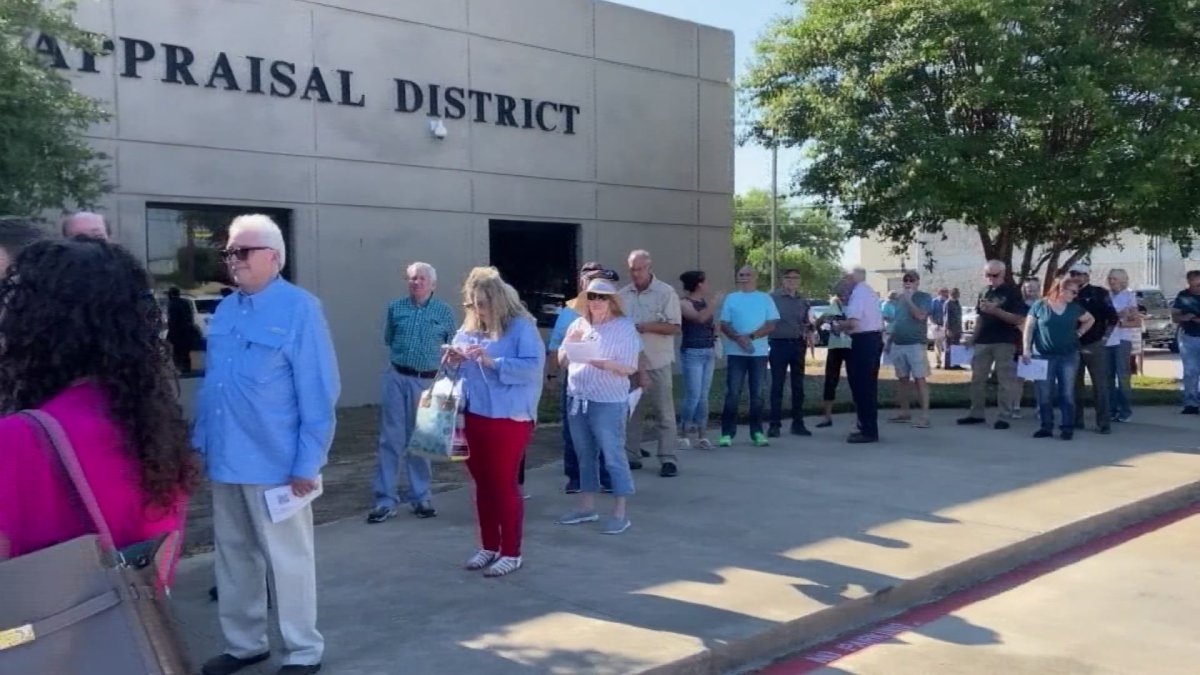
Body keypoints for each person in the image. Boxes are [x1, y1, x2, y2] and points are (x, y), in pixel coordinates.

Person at [192, 214, 339, 675]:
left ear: (273, 257)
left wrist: (308, 462)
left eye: (242, 251)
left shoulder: (300, 309)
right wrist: (201, 443)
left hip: (277, 464)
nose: (232, 260)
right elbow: (214, 386)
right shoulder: (226, 310)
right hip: (227, 458)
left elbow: (318, 392)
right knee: (234, 557)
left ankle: (302, 651)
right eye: (228, 252)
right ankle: (244, 644)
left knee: (288, 560)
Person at [0, 238, 194, 583]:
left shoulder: (16, 439)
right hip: (134, 614)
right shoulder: (155, 425)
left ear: (37, 325)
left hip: (43, 617)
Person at [447, 268, 544, 577]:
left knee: (503, 483)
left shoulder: (521, 327)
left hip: (509, 417)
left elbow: (532, 368)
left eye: (483, 303)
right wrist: (452, 361)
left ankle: (511, 552)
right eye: (472, 303)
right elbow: (456, 371)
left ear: (498, 300)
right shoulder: (470, 328)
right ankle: (488, 546)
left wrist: (492, 362)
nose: (478, 310)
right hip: (472, 414)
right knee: (483, 484)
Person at [367, 262, 456, 523]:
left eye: (421, 278)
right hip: (397, 377)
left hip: (427, 382)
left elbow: (451, 346)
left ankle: (421, 497)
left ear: (432, 284)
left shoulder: (444, 311)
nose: (415, 282)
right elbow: (389, 338)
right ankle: (385, 500)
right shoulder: (396, 308)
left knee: (422, 439)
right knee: (390, 439)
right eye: (412, 278)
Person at [556, 278, 640, 535]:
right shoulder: (578, 324)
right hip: (577, 397)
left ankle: (620, 512)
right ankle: (586, 507)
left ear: (612, 301)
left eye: (602, 297)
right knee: (584, 454)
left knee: (613, 455)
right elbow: (562, 361)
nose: (596, 301)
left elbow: (630, 367)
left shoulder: (624, 327)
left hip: (608, 401)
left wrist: (604, 363)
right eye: (591, 296)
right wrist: (570, 344)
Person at [547, 262, 614, 493]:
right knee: (573, 430)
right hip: (575, 378)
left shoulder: (613, 310)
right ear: (582, 282)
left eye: (599, 278)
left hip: (605, 378)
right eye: (590, 278)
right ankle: (575, 477)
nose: (594, 282)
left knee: (605, 428)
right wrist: (552, 375)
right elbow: (555, 347)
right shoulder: (569, 312)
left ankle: (607, 476)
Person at [619, 250, 683, 477]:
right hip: (629, 363)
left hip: (657, 362)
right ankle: (631, 455)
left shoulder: (666, 293)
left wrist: (645, 326)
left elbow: (674, 327)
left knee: (664, 413)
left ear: (649, 267)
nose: (635, 274)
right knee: (631, 412)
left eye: (640, 269)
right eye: (632, 269)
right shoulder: (622, 295)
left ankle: (668, 458)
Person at [1023, 276, 1095, 440]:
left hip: (1068, 355)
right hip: (1043, 355)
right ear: (1061, 289)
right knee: (1044, 392)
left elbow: (1090, 319)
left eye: (1076, 292)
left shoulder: (1074, 308)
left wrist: (1080, 332)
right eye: (1073, 292)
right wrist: (1026, 349)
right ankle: (1046, 426)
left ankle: (1067, 427)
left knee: (1066, 392)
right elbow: (1029, 327)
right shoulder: (1040, 305)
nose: (1075, 295)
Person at [957, 261, 1027, 430]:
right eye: (987, 275)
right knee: (977, 379)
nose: (990, 279)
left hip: (1005, 340)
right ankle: (976, 413)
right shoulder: (984, 291)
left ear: (1003, 274)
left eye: (994, 275)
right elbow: (980, 317)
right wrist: (972, 338)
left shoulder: (1012, 292)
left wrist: (996, 311)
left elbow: (1018, 319)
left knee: (1005, 380)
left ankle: (1004, 415)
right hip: (983, 340)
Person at [718, 265, 779, 447]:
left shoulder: (765, 298)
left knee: (757, 394)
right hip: (736, 353)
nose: (744, 277)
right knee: (732, 393)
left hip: (758, 354)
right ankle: (727, 433)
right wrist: (737, 338)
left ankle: (757, 432)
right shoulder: (732, 298)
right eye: (741, 274)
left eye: (748, 274)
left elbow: (771, 324)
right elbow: (724, 323)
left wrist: (750, 337)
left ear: (755, 277)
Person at [1069, 264, 1118, 434]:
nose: (1076, 277)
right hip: (1072, 344)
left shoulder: (1099, 293)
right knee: (1074, 384)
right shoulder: (1067, 294)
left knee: (1100, 384)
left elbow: (1113, 318)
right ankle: (1076, 420)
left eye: (1080, 274)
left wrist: (1105, 338)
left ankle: (1103, 422)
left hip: (1094, 343)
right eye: (1073, 274)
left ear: (1087, 276)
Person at [837, 269, 884, 443]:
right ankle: (867, 426)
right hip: (873, 339)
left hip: (863, 341)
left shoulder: (858, 293)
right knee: (868, 386)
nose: (844, 283)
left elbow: (853, 322)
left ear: (851, 278)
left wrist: (837, 326)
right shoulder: (868, 291)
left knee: (862, 386)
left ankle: (867, 430)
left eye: (845, 279)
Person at [678, 269, 721, 448]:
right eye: (704, 281)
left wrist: (715, 330)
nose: (707, 285)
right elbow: (700, 318)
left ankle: (702, 434)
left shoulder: (703, 302)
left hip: (708, 351)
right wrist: (714, 303)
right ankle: (684, 432)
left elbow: (708, 323)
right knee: (693, 395)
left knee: (703, 396)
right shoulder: (684, 303)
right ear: (698, 284)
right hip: (692, 353)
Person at [768, 268, 813, 437]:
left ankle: (798, 423)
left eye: (796, 278)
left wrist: (809, 327)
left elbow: (805, 322)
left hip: (798, 345)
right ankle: (774, 424)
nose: (792, 281)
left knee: (798, 386)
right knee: (777, 385)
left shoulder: (802, 300)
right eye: (789, 278)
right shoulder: (773, 298)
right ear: (783, 280)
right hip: (778, 344)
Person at [886, 271, 933, 428]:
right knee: (902, 379)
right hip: (898, 343)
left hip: (915, 344)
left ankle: (924, 416)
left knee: (920, 379)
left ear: (917, 282)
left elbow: (920, 316)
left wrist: (909, 300)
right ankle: (904, 412)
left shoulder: (924, 297)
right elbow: (897, 321)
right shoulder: (899, 299)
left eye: (911, 280)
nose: (908, 282)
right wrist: (889, 341)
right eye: (905, 280)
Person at [815, 286, 853, 428]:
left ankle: (861, 416)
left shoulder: (854, 306)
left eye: (846, 293)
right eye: (840, 294)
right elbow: (819, 321)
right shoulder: (834, 306)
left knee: (856, 381)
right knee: (830, 380)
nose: (843, 296)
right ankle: (827, 417)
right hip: (835, 346)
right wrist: (821, 333)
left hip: (851, 347)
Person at [1105, 269, 1138, 423]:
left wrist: (1121, 321)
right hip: (1107, 340)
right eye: (1110, 279)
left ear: (1122, 280)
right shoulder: (1106, 296)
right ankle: (1111, 409)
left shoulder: (1129, 296)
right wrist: (1117, 316)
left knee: (1122, 375)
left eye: (1115, 279)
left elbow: (1135, 320)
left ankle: (1125, 410)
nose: (1112, 282)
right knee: (1108, 376)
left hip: (1122, 340)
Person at [1171, 270, 1200, 415]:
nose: (1198, 285)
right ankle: (1191, 403)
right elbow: (1175, 317)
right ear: (1189, 282)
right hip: (1188, 337)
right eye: (1195, 282)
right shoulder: (1183, 296)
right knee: (1190, 371)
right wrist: (1185, 317)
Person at [167, 286, 199, 374]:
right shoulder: (185, 302)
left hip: (177, 332)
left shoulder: (172, 304)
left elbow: (172, 320)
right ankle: (187, 368)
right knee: (185, 352)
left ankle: (179, 368)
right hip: (187, 331)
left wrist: (170, 333)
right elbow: (190, 317)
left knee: (177, 351)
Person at [929, 287, 949, 367]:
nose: (946, 294)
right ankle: (938, 362)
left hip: (946, 326)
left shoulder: (948, 302)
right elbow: (930, 314)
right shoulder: (934, 302)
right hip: (937, 325)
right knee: (938, 344)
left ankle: (947, 362)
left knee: (947, 344)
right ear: (940, 293)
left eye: (946, 292)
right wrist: (934, 324)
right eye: (944, 292)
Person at [944, 288, 964, 369]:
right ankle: (948, 364)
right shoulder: (948, 303)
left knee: (957, 346)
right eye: (956, 293)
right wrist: (948, 329)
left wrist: (960, 329)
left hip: (957, 328)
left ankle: (956, 363)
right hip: (951, 328)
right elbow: (947, 317)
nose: (958, 294)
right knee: (949, 347)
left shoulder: (957, 303)